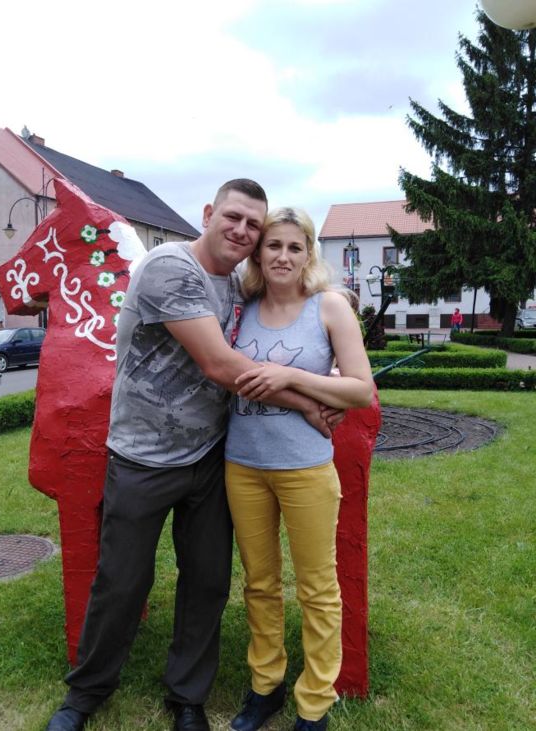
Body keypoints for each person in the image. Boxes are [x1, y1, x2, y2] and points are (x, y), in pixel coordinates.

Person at [45, 182, 343, 731]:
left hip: (209, 455)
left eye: (253, 225)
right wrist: (308, 401)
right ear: (208, 214)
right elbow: (221, 365)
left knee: (207, 581)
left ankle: (187, 696)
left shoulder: (237, 283)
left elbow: (287, 329)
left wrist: (329, 371)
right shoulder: (169, 267)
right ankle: (85, 693)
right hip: (143, 455)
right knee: (122, 580)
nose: (242, 231)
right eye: (233, 217)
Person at [223, 207, 374, 731]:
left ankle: (315, 702)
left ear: (309, 253)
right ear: (258, 253)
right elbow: (219, 368)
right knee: (259, 583)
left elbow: (360, 388)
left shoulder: (327, 307)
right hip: (243, 465)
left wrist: (290, 376)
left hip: (306, 467)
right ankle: (265, 685)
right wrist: (304, 392)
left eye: (294, 247)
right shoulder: (240, 308)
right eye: (273, 246)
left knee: (317, 588)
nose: (283, 256)